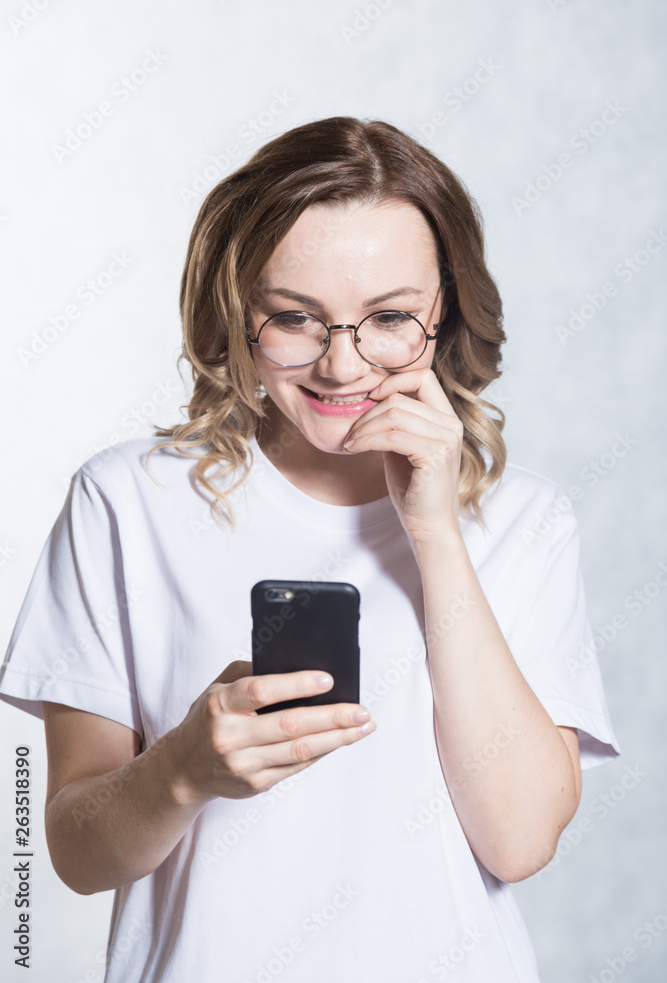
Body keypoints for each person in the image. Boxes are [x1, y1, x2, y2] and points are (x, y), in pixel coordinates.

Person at [0, 116, 621, 983]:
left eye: (389, 318)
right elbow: (73, 853)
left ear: (445, 313)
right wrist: (181, 769)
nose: (341, 366)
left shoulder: (524, 521)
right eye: (294, 318)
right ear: (236, 313)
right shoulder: (127, 502)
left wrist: (435, 534)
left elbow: (518, 841)